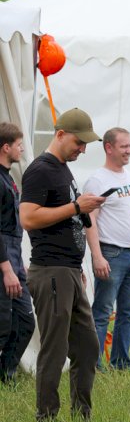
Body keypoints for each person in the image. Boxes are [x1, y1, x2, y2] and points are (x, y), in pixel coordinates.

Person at [20, 108, 106, 422]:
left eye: (85, 144)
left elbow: (68, 214)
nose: (82, 149)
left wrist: (84, 208)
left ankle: (82, 414)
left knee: (87, 347)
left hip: (68, 270)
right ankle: (47, 418)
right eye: (78, 142)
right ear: (60, 134)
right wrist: (74, 206)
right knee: (54, 350)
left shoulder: (62, 169)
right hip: (50, 271)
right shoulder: (40, 170)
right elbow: (28, 217)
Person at [84, 127, 130, 371]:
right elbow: (90, 220)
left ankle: (121, 362)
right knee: (103, 311)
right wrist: (97, 256)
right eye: (123, 146)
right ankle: (95, 365)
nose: (129, 150)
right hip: (112, 254)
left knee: (129, 311)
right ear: (109, 148)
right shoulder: (98, 180)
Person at [0, 123, 35, 385]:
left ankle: (6, 373)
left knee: (25, 321)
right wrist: (6, 268)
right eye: (19, 145)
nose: (22, 149)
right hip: (3, 260)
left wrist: (18, 263)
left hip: (12, 257)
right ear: (6, 147)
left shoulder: (9, 177)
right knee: (2, 323)